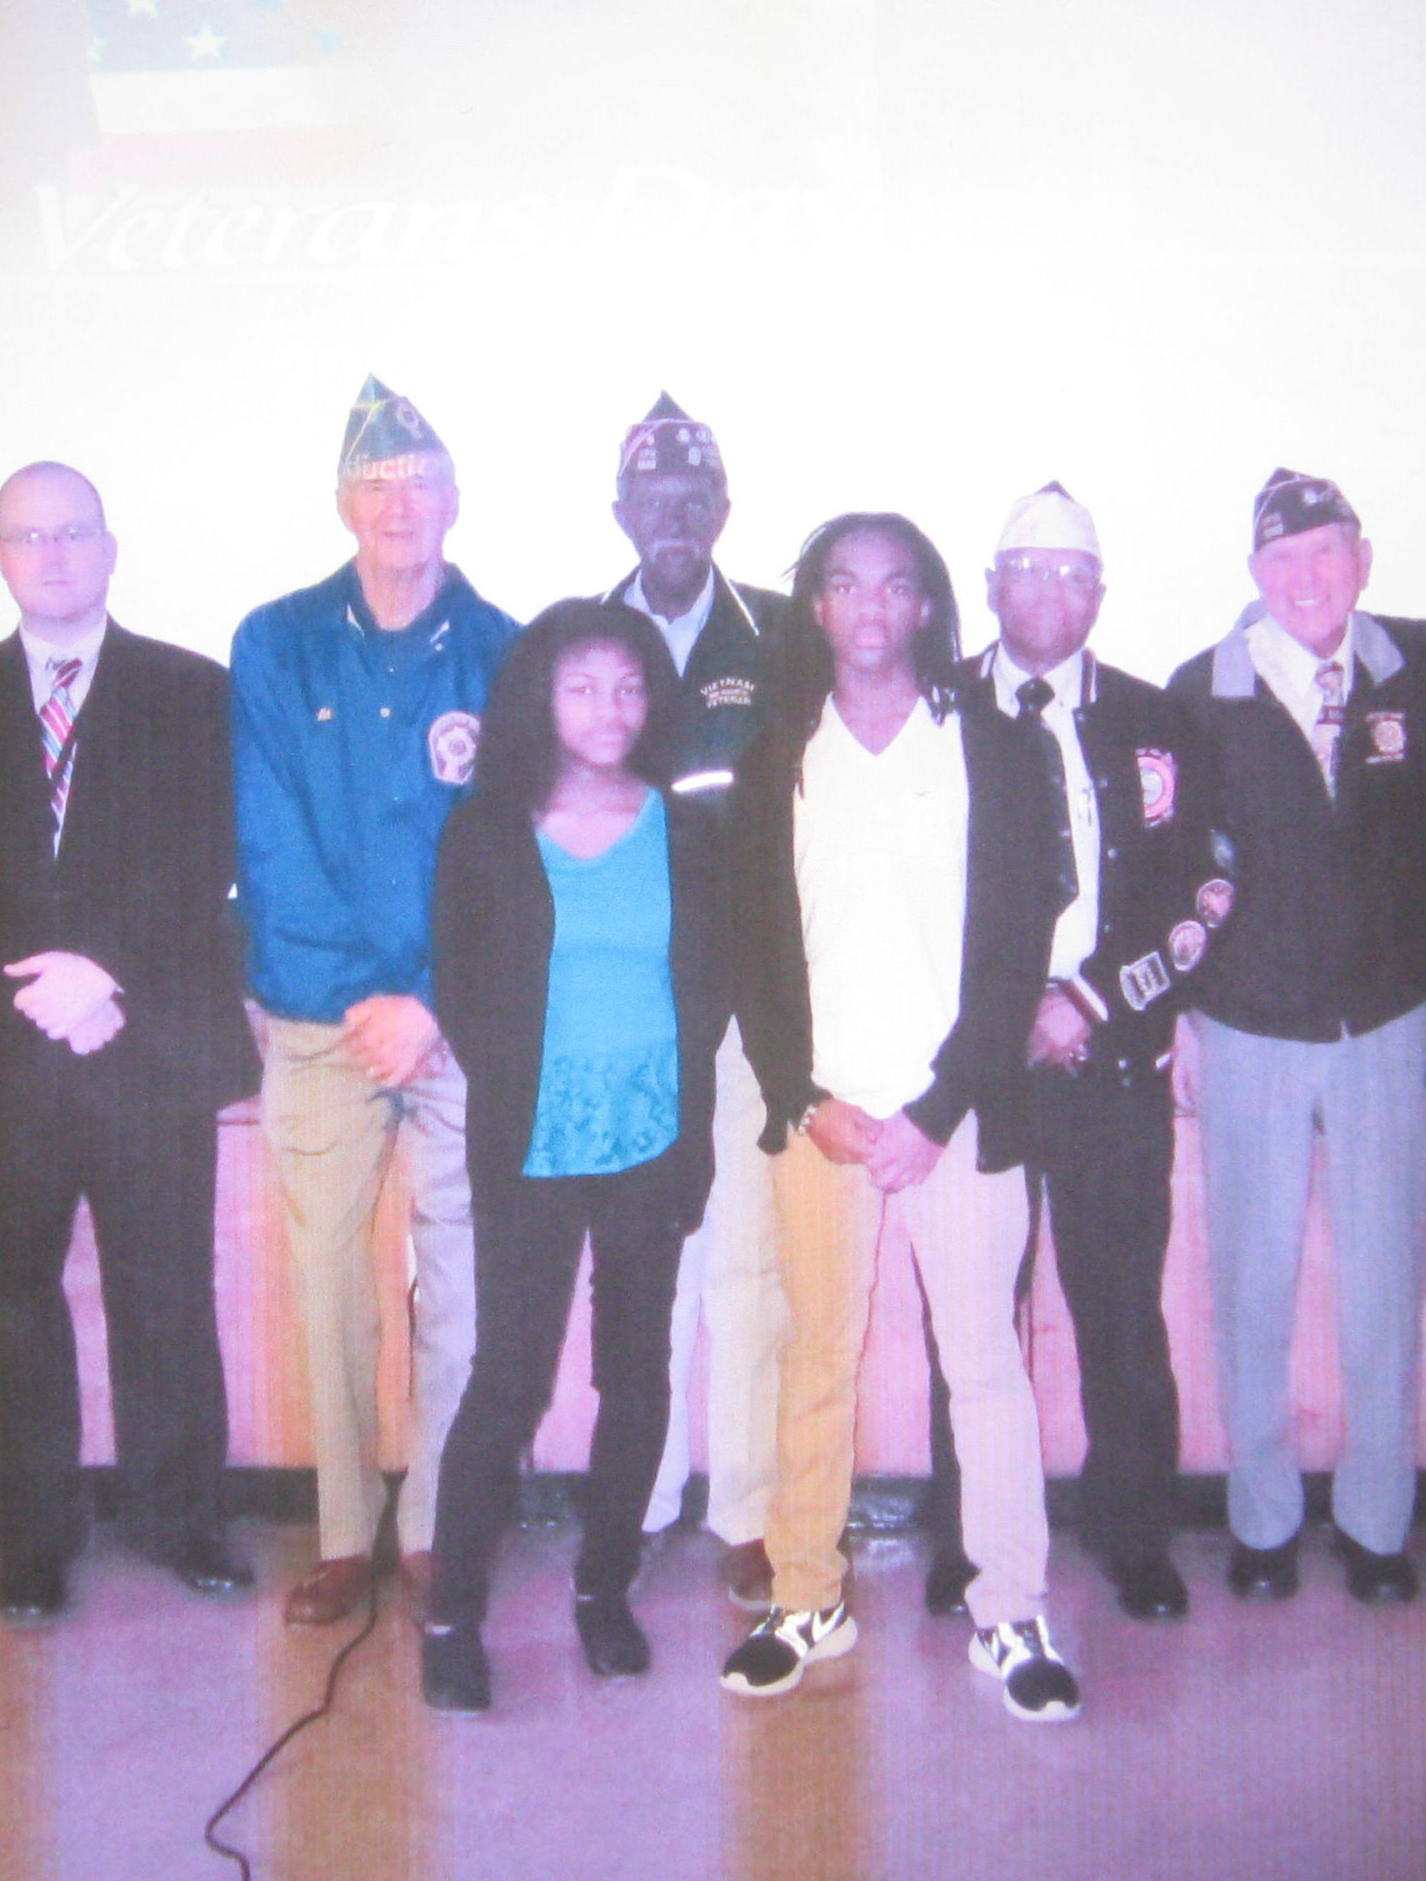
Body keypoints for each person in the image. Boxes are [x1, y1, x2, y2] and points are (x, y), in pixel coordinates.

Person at [0, 462, 259, 1624]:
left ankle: (180, 1518)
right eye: (26, 536)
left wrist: (107, 975)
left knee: (165, 1295)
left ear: (111, 547)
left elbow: (215, 862)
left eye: (72, 534)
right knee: (6, 1302)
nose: (51, 555)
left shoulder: (195, 692)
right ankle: (33, 1540)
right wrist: (41, 986)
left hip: (145, 1046)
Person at [723, 513, 1076, 1719]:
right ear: (812, 608)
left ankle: (1010, 1612)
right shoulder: (778, 756)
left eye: (893, 585)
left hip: (956, 1121)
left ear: (926, 604)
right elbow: (754, 957)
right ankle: (805, 1597)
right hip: (822, 1123)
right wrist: (800, 1100)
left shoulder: (994, 749)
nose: (869, 606)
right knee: (812, 1360)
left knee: (983, 1368)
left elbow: (1016, 950)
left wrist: (937, 1108)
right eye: (842, 584)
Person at [232, 380, 519, 1624]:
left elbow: (514, 849)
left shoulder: (511, 652)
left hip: (460, 1027)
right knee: (328, 1280)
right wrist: (372, 999)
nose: (400, 503)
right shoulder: (275, 642)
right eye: (378, 483)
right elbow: (273, 842)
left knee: (461, 1282)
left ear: (454, 501)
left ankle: (438, 1527)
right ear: (343, 502)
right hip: (321, 1018)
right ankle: (346, 1531)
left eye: (422, 482)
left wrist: (438, 998)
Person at [921, 483, 1228, 1625]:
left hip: (1108, 1063)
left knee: (1118, 1311)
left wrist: (1094, 1000)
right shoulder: (932, 711)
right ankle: (967, 1538)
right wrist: (999, 1019)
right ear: (990, 586)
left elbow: (1207, 882)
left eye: (1072, 572)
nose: (1048, 590)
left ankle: (1134, 1535)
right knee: (969, 1314)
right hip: (976, 1071)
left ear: (1100, 593)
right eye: (1026, 569)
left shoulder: (1158, 720)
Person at [418, 599, 730, 1712]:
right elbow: (457, 980)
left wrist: (687, 1121)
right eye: (583, 685)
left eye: (631, 686)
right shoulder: (488, 825)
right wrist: (522, 1083)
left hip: (652, 1133)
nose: (611, 708)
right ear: (539, 697)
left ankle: (604, 1590)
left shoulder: (685, 826)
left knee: (635, 1372)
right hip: (533, 1137)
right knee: (505, 1377)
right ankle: (451, 1610)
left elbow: (705, 986)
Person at [1167, 468, 1426, 1606]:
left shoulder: (1421, 671)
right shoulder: (1204, 693)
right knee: (1252, 1282)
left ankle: (1379, 1526)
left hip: (1389, 1021)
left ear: (1362, 558)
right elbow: (1178, 870)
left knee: (1386, 1281)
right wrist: (1186, 1013)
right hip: (1249, 1028)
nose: (1306, 577)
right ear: (1254, 574)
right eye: (1282, 559)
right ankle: (1261, 1520)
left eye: (1326, 552)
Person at [597, 393, 788, 1610]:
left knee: (748, 1269)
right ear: (620, 514)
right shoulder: (571, 642)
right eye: (653, 500)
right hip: (615, 1010)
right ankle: (643, 1492)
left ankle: (750, 1509)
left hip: (746, 1006)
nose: (675, 518)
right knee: (641, 1266)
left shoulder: (780, 640)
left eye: (696, 500)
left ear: (723, 511)